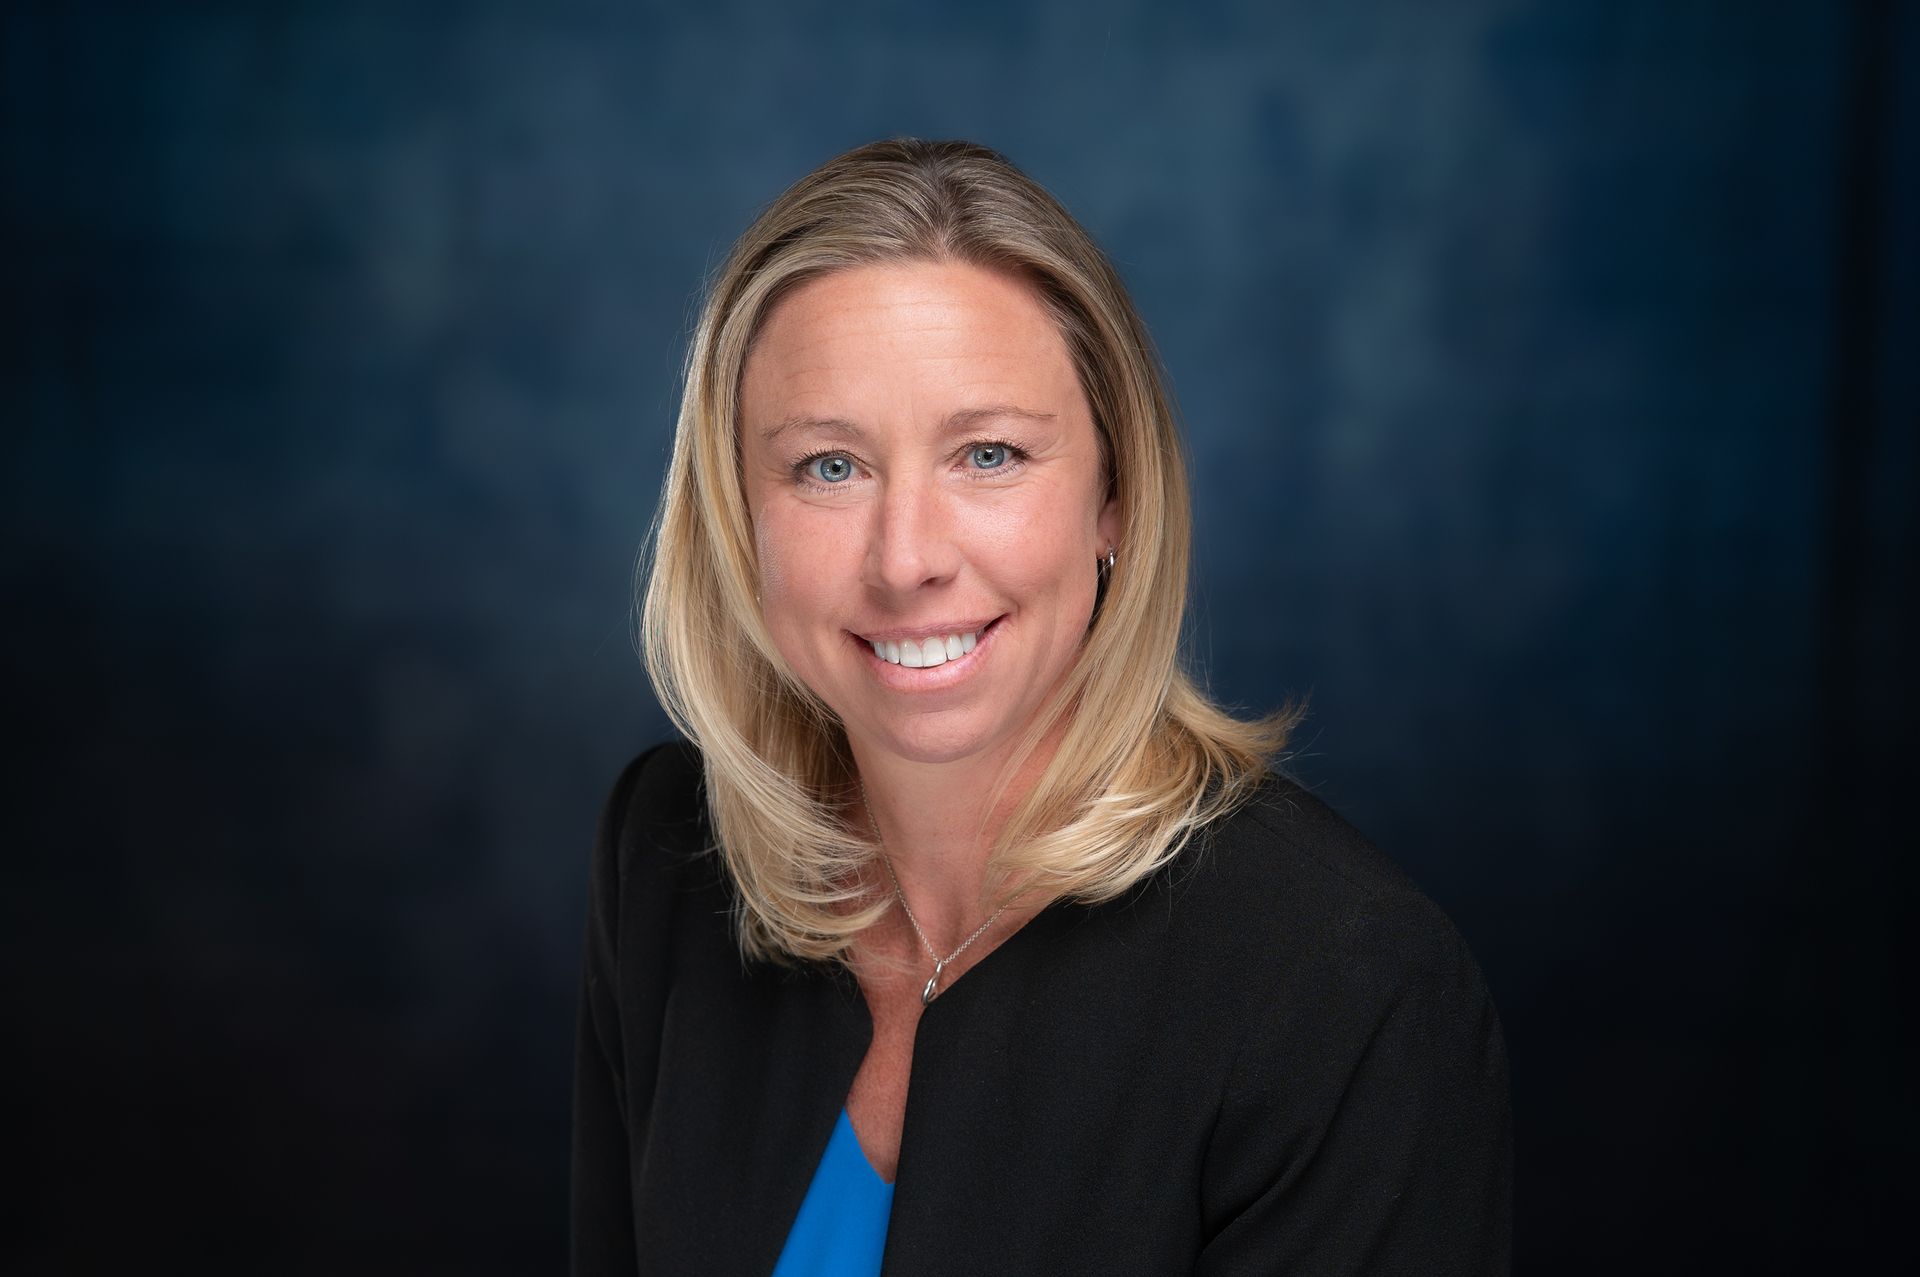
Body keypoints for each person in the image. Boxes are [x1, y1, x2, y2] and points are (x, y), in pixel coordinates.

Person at [572, 138, 1511, 1276]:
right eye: (829, 466)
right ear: (735, 517)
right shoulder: (668, 855)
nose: (906, 555)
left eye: (990, 453)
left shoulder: (1346, 986)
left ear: (1113, 500)